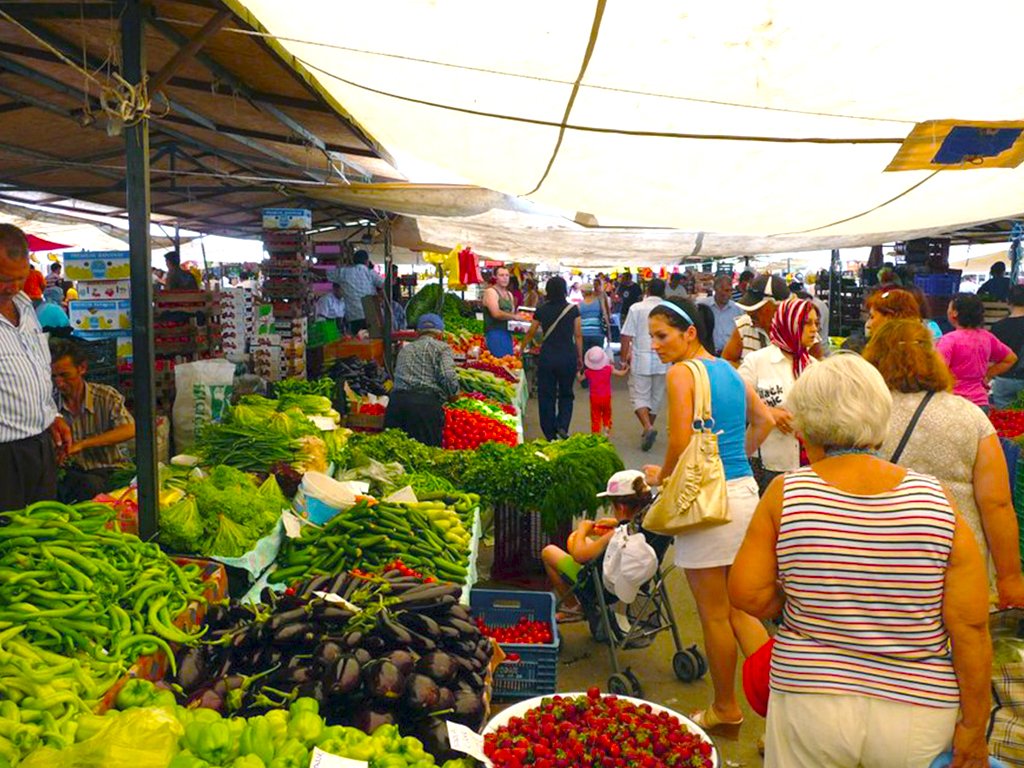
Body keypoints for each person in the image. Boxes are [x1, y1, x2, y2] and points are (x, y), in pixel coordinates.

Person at [728, 354, 992, 768]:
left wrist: (801, 602)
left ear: (804, 424)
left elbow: (745, 592)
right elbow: (971, 628)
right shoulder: (936, 501)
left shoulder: (788, 493)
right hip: (917, 710)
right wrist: (974, 728)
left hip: (810, 698)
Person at [642, 297, 773, 731]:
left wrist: (659, 476)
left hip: (707, 506)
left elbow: (680, 440)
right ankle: (780, 709)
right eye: (653, 338)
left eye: (662, 336)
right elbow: (766, 420)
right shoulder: (730, 371)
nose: (657, 346)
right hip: (743, 494)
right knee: (742, 611)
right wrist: (739, 456)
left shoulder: (683, 372)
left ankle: (725, 707)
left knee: (715, 614)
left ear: (689, 333)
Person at [863, 319, 1024, 607]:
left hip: (879, 562)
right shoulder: (970, 416)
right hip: (958, 562)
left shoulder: (862, 416)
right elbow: (996, 504)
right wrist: (1010, 578)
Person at [0, 224, 72, 511]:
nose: (13, 288)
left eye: (20, 278)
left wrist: (51, 416)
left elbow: (37, 368)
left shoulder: (25, 306)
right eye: (4, 279)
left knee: (43, 533)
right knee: (10, 547)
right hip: (4, 454)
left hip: (40, 446)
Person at [542, 470, 653, 622]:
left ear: (620, 507)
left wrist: (582, 529)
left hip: (603, 586)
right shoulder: (651, 524)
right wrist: (615, 522)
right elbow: (634, 520)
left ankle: (572, 607)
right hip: (635, 577)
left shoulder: (618, 534)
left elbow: (579, 555)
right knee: (584, 543)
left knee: (549, 552)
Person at [739, 298, 819, 493]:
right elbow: (734, 401)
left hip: (807, 464)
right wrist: (767, 412)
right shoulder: (757, 361)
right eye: (806, 323)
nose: (814, 329)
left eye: (816, 323)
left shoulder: (815, 367)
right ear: (789, 323)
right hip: (768, 461)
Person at [50, 339, 136, 503]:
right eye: (54, 376)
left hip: (108, 470)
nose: (59, 383)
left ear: (82, 368)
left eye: (64, 375)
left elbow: (129, 429)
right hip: (71, 474)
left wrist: (82, 444)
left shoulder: (106, 396)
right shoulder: (50, 405)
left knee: (90, 485)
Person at [521, 277, 582, 440]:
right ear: (564, 290)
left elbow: (532, 332)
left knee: (546, 394)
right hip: (567, 355)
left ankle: (549, 431)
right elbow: (578, 335)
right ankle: (562, 425)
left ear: (548, 290)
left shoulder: (541, 309)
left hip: (547, 356)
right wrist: (580, 357)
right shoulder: (573, 309)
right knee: (566, 393)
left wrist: (520, 347)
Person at [384, 313, 459, 446]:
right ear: (440, 334)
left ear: (417, 333)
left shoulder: (405, 350)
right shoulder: (442, 348)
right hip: (423, 408)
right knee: (426, 455)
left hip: (396, 404)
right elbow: (448, 377)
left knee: (396, 454)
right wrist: (453, 395)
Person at [936, 293, 1017, 411]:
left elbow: (938, 371)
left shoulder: (948, 340)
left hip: (954, 404)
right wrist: (988, 374)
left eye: (949, 307)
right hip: (980, 403)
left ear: (954, 313)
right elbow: (1010, 358)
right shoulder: (987, 337)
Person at [620, 278, 671, 452]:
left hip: (641, 358)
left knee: (639, 395)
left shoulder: (636, 308)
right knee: (656, 397)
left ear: (647, 290)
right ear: (663, 291)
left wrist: (622, 357)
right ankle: (647, 427)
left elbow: (626, 334)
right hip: (663, 359)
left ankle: (648, 427)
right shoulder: (669, 310)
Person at [722, 274, 789, 366]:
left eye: (756, 309)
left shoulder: (800, 330)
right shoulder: (744, 325)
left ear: (776, 307)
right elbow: (727, 362)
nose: (750, 313)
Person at [579, 346, 629, 436]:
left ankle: (596, 433)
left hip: (594, 398)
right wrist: (627, 368)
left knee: (595, 415)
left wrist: (577, 372)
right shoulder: (608, 369)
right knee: (607, 413)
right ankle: (606, 428)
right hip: (606, 396)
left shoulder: (588, 372)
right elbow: (621, 374)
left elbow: (580, 379)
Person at [990, 284, 1024, 408]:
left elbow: (992, 357)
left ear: (1008, 301)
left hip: (1003, 380)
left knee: (1004, 420)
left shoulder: (998, 327)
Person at [336, 250, 383, 334]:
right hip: (370, 313)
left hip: (353, 316)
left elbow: (325, 273)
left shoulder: (344, 272)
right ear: (366, 261)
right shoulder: (370, 273)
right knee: (373, 340)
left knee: (357, 341)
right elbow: (385, 285)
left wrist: (309, 268)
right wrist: (379, 297)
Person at [699, 275, 745, 355]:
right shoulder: (703, 306)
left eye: (730, 291)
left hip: (730, 355)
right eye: (726, 290)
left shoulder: (738, 309)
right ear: (716, 289)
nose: (729, 294)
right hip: (708, 354)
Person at [482, 265, 519, 357]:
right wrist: (514, 316)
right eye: (501, 275)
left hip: (507, 334)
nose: (505, 278)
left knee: (508, 362)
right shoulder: (490, 292)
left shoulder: (509, 294)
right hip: (494, 333)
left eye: (507, 275)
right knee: (498, 362)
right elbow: (496, 313)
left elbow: (512, 314)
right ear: (495, 277)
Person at [579, 280, 610, 354]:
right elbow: (605, 317)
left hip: (584, 335)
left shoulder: (579, 305)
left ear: (583, 292)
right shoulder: (599, 302)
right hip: (598, 334)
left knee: (585, 359)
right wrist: (609, 333)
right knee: (597, 359)